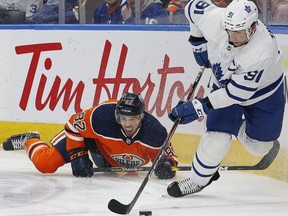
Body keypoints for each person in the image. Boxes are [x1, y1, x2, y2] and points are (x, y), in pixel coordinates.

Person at [166, 0, 285, 197]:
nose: (232, 37)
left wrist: (198, 107)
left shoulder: (262, 51)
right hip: (225, 85)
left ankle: (237, 128)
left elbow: (235, 94)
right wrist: (198, 43)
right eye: (229, 30)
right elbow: (192, 7)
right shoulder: (216, 21)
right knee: (217, 139)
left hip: (265, 95)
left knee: (259, 148)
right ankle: (198, 181)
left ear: (253, 27)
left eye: (238, 32)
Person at [2, 92, 178, 179]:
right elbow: (73, 124)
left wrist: (167, 167)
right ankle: (30, 139)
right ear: (117, 115)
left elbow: (171, 159)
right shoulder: (101, 117)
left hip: (108, 154)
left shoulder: (154, 133)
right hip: (87, 138)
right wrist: (77, 155)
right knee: (45, 164)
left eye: (132, 119)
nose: (127, 124)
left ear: (141, 116)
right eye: (123, 118)